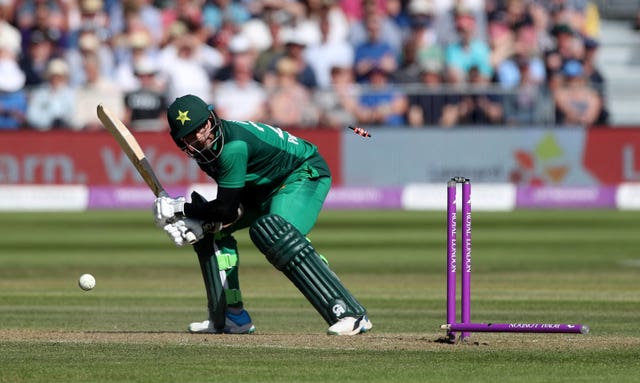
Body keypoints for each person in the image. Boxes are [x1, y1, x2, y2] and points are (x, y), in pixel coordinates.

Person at [152, 94, 372, 336]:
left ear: (211, 118)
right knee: (211, 233)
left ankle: (349, 313)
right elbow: (231, 206)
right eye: (190, 135)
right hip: (261, 188)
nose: (200, 137)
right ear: (179, 140)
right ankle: (230, 317)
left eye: (202, 127)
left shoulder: (231, 147)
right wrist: (203, 222)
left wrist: (181, 209)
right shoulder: (207, 150)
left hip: (301, 172)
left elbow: (225, 208)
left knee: (275, 234)